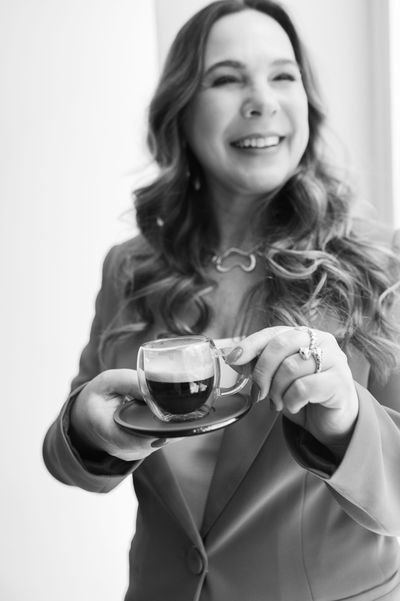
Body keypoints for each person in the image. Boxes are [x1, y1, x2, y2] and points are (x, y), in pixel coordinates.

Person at [43, 1, 400, 599]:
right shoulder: (130, 268)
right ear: (181, 110)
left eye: (282, 75)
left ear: (306, 102)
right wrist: (84, 427)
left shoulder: (383, 262)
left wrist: (347, 421)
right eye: (228, 79)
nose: (261, 101)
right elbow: (70, 459)